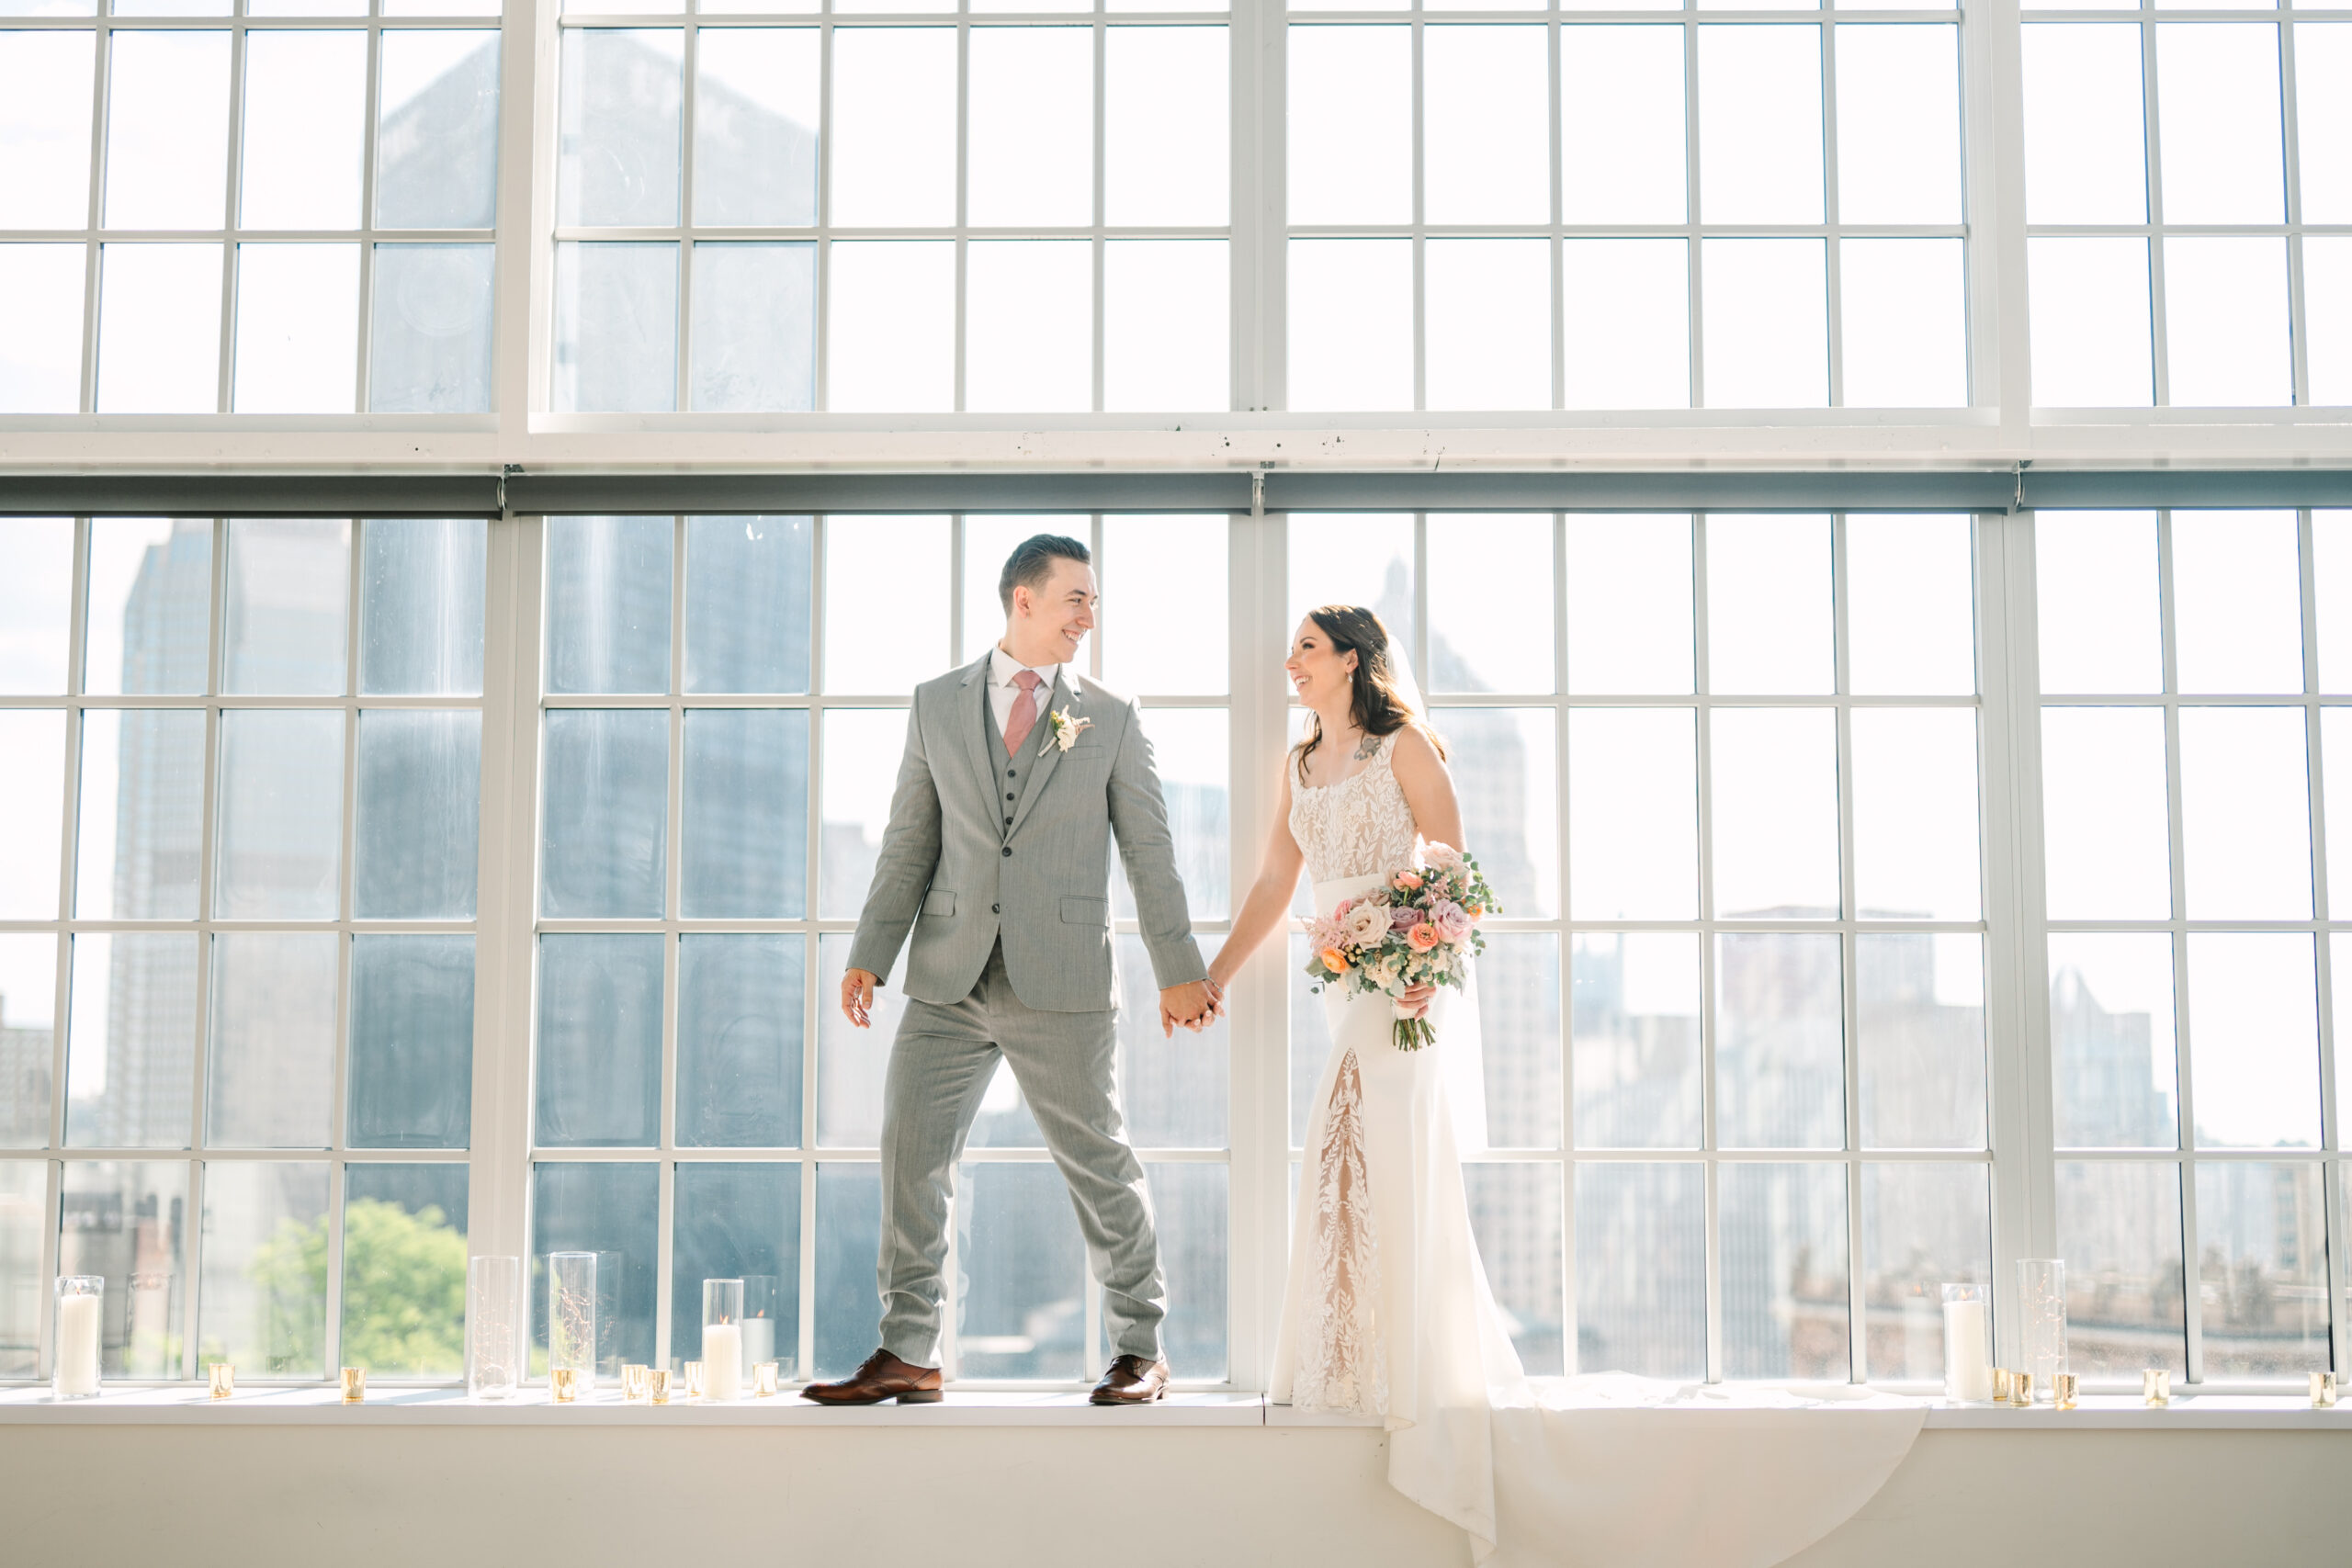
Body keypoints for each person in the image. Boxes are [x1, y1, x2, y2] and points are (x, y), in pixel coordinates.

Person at [808, 533, 1223, 1409]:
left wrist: (1177, 968)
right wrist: (868, 957)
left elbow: (1150, 851)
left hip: (1063, 978)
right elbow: (908, 841)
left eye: (1094, 601)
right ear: (1022, 600)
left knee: (1098, 1162)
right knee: (909, 1157)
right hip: (948, 977)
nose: (1089, 615)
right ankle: (910, 1348)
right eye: (1076, 597)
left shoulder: (1110, 717)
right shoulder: (934, 704)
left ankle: (1140, 1347)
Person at [1205, 604, 1523, 1559]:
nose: (1289, 661)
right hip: (1340, 977)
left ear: (1349, 659)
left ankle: (1399, 1373)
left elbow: (1451, 869)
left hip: (1402, 981)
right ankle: (1351, 1361)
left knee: (1359, 1138)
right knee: (1350, 1146)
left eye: (1304, 646)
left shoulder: (1406, 747)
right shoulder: (1297, 765)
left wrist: (1413, 957)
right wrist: (1211, 977)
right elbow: (1274, 881)